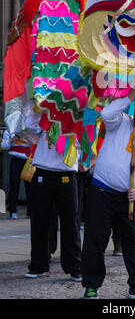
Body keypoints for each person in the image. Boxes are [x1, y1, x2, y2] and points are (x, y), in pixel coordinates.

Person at [80, 88, 135, 300]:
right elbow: (106, 113)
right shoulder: (121, 122)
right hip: (102, 191)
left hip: (131, 197)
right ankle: (91, 285)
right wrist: (129, 98)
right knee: (95, 239)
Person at [23, 110, 82, 281]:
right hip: (42, 173)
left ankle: (74, 266)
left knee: (70, 223)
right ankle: (38, 265)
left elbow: (81, 143)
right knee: (40, 222)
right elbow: (30, 126)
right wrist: (38, 108)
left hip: (66, 175)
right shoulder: (47, 116)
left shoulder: (75, 119)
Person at [1, 130, 31, 219]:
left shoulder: (30, 129)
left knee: (30, 187)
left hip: (28, 160)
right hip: (16, 158)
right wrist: (12, 140)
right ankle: (13, 211)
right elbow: (3, 146)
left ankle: (30, 211)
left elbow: (36, 144)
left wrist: (26, 140)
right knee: (14, 184)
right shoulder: (10, 131)